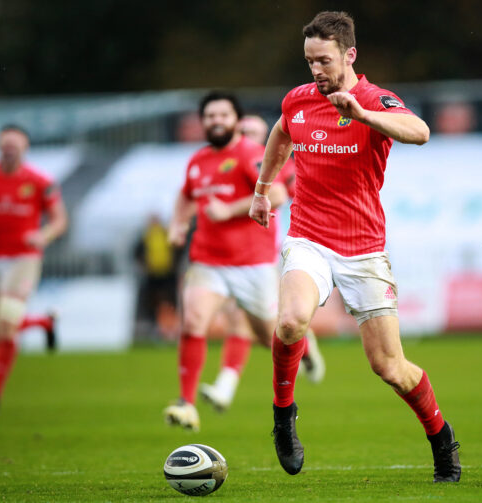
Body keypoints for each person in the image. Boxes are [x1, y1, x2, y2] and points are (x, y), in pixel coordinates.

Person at [249, 11, 461, 483]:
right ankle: (284, 417)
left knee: (389, 367)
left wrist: (364, 115)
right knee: (289, 321)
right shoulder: (298, 100)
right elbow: (282, 132)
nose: (316, 71)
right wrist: (263, 188)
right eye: (309, 62)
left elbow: (421, 131)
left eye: (324, 61)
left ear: (349, 55)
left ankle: (440, 437)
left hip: (363, 248)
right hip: (308, 237)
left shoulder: (372, 99)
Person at [163, 91, 320, 430]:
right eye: (210, 116)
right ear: (202, 122)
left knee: (270, 336)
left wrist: (230, 209)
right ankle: (186, 402)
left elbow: (277, 194)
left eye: (222, 115)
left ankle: (305, 351)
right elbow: (185, 195)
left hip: (253, 264)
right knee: (193, 321)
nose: (216, 121)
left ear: (235, 119)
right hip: (207, 261)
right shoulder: (198, 160)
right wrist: (177, 224)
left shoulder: (251, 154)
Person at [198, 115, 325, 413]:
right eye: (243, 132)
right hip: (238, 258)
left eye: (255, 132)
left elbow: (302, 197)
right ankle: (225, 388)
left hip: (274, 256)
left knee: (255, 324)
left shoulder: (286, 169)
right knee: (242, 321)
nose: (248, 138)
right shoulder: (230, 170)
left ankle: (302, 348)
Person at [0, 124, 68, 412]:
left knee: (7, 320)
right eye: (5, 144)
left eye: (15, 145)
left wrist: (43, 236)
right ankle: (44, 323)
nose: (10, 150)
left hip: (24, 258)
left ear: (25, 149)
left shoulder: (39, 181)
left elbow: (59, 219)